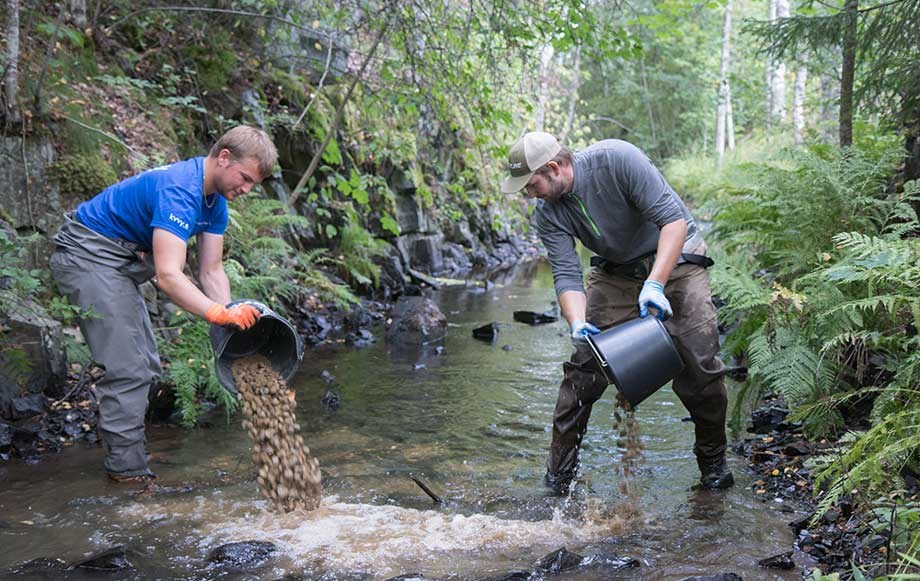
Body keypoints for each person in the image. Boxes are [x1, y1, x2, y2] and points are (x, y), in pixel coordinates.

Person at [500, 131, 734, 493]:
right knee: (581, 374)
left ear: (553, 167)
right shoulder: (548, 215)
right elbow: (566, 274)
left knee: (700, 368)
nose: (529, 194)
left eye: (531, 185)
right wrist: (578, 322)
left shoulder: (618, 159)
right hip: (614, 274)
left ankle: (713, 466)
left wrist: (655, 284)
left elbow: (673, 222)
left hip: (678, 259)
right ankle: (558, 480)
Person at [49, 125, 278, 483]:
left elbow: (212, 271)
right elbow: (169, 276)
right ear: (223, 157)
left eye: (254, 184)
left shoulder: (215, 203)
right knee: (129, 368)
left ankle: (129, 453)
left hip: (120, 262)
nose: (247, 189)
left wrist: (232, 320)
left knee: (147, 364)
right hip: (88, 255)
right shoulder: (179, 189)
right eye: (245, 178)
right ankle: (129, 477)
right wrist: (216, 312)